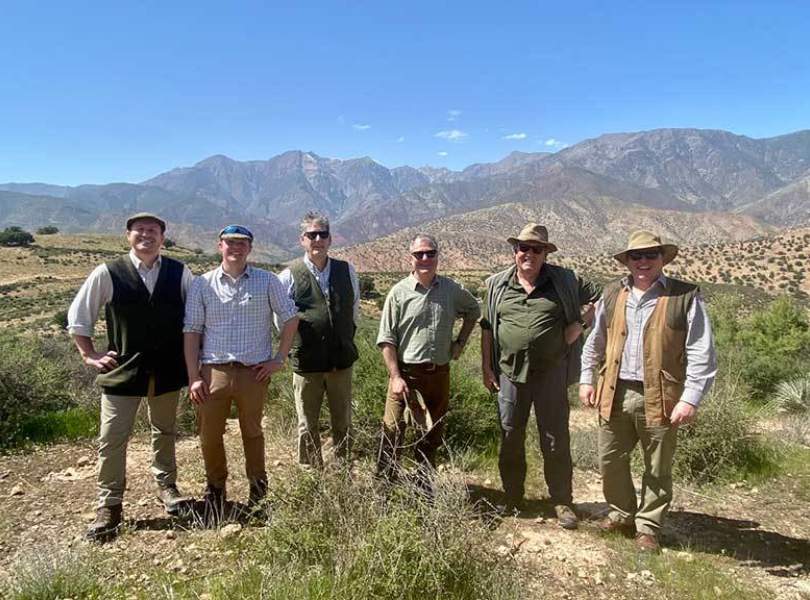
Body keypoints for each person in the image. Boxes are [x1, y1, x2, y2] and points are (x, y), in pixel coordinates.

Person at [579, 230, 717, 552]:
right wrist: (587, 378)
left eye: (650, 255)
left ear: (662, 259)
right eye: (636, 256)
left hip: (661, 395)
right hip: (613, 390)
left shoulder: (684, 297)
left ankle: (648, 527)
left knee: (657, 465)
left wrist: (690, 398)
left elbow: (701, 352)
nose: (642, 261)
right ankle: (622, 512)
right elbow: (596, 340)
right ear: (627, 261)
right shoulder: (613, 293)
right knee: (609, 458)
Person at [68, 212, 193, 541]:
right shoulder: (107, 273)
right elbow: (79, 317)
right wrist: (89, 354)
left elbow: (196, 318)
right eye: (139, 230)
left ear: (162, 238)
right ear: (128, 236)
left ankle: (167, 488)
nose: (146, 236)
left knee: (164, 431)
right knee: (112, 438)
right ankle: (110, 504)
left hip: (167, 369)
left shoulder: (180, 272)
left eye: (153, 231)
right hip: (122, 371)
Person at [481, 223, 600, 529]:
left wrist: (581, 325)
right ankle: (513, 497)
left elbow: (603, 297)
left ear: (546, 253)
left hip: (552, 372)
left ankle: (561, 500)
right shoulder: (497, 285)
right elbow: (486, 328)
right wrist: (486, 367)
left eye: (537, 249)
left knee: (555, 438)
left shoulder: (565, 280)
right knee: (510, 436)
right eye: (524, 248)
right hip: (510, 373)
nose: (529, 254)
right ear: (514, 251)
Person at [183, 224, 299, 510]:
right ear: (219, 245)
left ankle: (259, 491)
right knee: (209, 435)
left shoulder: (267, 281)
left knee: (253, 432)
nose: (235, 247)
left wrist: (279, 358)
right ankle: (216, 490)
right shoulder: (203, 283)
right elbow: (191, 331)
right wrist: (193, 376)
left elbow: (291, 318)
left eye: (242, 243)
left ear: (250, 248)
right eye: (230, 242)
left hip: (254, 372)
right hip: (214, 371)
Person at [375, 234, 481, 486]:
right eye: (419, 254)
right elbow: (386, 340)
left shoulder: (451, 290)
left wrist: (460, 343)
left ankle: (424, 486)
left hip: (438, 375)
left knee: (432, 434)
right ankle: (382, 489)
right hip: (406, 376)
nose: (424, 258)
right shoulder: (398, 293)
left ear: (437, 257)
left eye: (430, 253)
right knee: (392, 432)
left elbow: (474, 311)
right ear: (410, 258)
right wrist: (395, 376)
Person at [277, 212, 360, 468]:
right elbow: (280, 318)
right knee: (307, 423)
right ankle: (311, 472)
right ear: (302, 240)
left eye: (322, 234)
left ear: (330, 239)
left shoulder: (347, 270)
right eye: (311, 235)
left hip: (340, 361)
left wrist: (344, 337)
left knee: (343, 420)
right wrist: (295, 343)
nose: (317, 239)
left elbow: (354, 308)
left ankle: (342, 468)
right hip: (307, 363)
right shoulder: (289, 275)